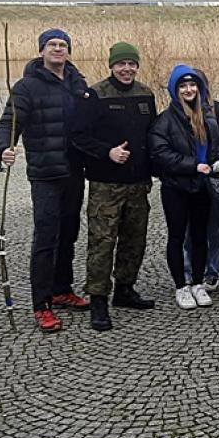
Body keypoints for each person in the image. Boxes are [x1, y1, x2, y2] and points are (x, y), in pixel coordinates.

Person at [0, 28, 91, 333]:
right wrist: (4, 149)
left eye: (63, 45)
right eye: (52, 45)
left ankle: (63, 289)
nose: (58, 49)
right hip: (45, 174)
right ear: (42, 50)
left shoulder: (77, 82)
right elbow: (9, 122)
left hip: (75, 170)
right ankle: (42, 304)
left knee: (69, 233)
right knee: (46, 238)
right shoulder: (26, 87)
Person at [71, 41, 157, 331]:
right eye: (121, 64)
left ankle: (125, 289)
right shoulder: (95, 95)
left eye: (132, 64)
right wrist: (107, 152)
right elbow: (79, 136)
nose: (127, 69)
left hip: (138, 184)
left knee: (135, 240)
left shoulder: (146, 94)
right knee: (102, 242)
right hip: (105, 184)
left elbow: (153, 136)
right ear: (112, 65)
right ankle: (98, 299)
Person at [149, 64, 219, 310]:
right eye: (183, 86)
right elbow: (161, 153)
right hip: (177, 187)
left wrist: (217, 160)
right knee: (177, 236)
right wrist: (193, 165)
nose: (189, 89)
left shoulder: (208, 116)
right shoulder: (165, 120)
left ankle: (197, 283)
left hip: (203, 186)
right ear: (175, 90)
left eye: (192, 85)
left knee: (200, 236)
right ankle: (181, 286)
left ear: (200, 88)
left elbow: (214, 146)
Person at [185, 70, 219, 292]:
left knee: (214, 228)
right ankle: (188, 271)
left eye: (196, 85)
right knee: (190, 230)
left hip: (215, 176)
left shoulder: (217, 108)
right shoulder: (178, 113)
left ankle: (211, 272)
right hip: (190, 176)